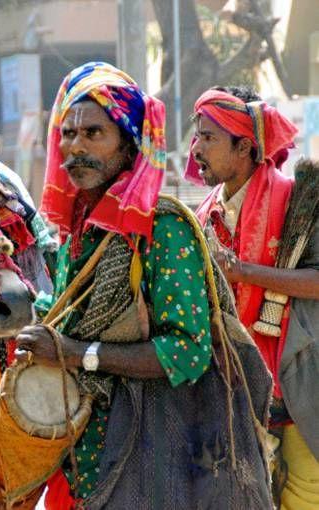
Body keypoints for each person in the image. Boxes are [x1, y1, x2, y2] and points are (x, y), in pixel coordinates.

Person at [0, 62, 273, 509]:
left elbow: (187, 351)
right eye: (68, 134)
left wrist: (76, 355)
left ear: (129, 145)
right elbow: (67, 311)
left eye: (94, 134)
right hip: (83, 456)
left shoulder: (163, 228)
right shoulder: (82, 229)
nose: (76, 147)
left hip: (154, 459)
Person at [187, 85, 319, 509]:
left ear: (244, 146)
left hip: (298, 380)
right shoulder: (203, 212)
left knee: (305, 497)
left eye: (208, 138)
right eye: (196, 136)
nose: (195, 149)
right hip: (232, 393)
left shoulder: (297, 199)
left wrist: (243, 271)